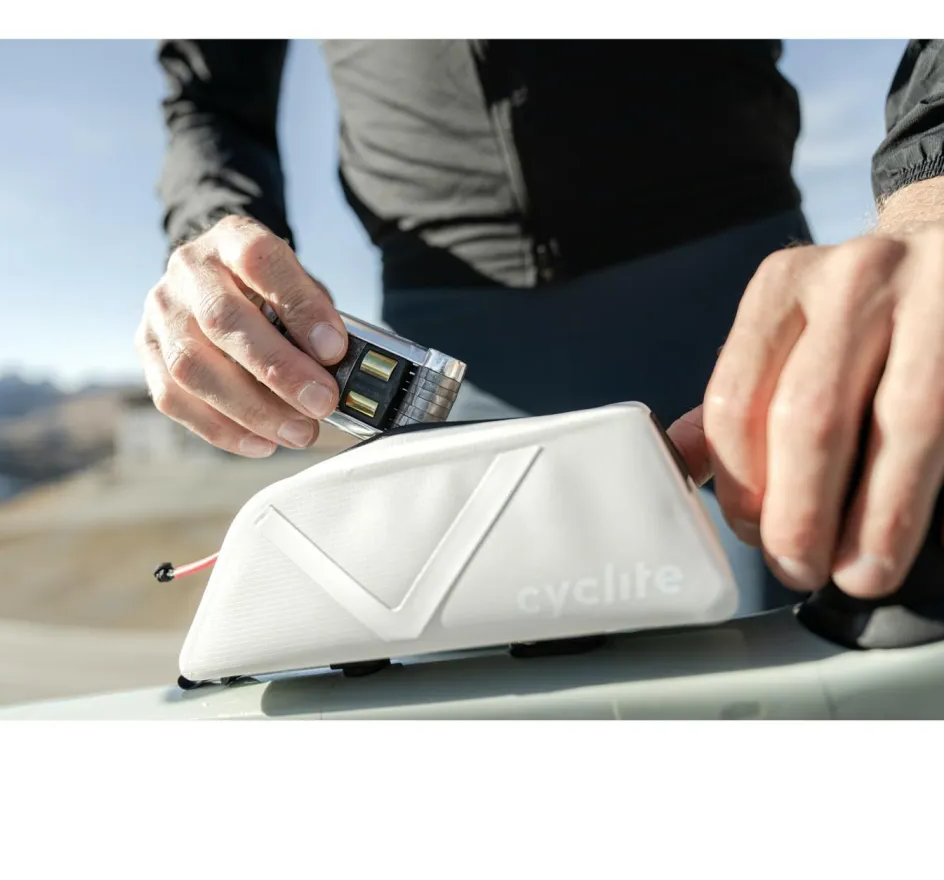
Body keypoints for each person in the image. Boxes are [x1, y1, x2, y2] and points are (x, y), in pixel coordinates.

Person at [137, 39, 944, 614]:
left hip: (741, 296)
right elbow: (210, 97)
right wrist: (215, 234)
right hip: (445, 357)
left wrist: (931, 189)